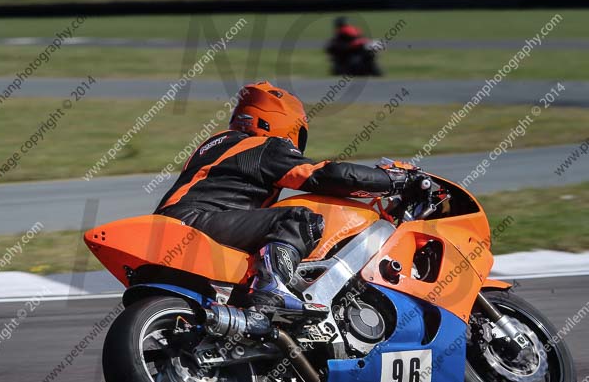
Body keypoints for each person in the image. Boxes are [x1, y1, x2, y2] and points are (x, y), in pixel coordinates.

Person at [155, 81, 412, 310]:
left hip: (174, 223)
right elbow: (324, 175)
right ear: (284, 122)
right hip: (199, 221)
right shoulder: (263, 146)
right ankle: (270, 289)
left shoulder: (215, 144)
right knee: (300, 219)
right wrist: (393, 179)